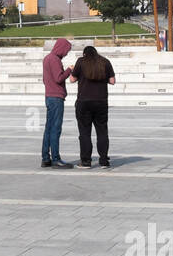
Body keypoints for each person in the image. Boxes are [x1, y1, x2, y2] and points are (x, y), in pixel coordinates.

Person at [69, 45, 116, 168]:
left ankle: (85, 161)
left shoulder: (81, 61)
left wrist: (72, 71)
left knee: (84, 132)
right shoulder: (105, 62)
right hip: (101, 102)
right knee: (102, 132)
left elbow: (72, 80)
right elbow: (112, 81)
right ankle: (104, 161)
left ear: (85, 54)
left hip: (84, 102)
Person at [40, 38, 74, 169]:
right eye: (66, 51)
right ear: (61, 48)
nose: (66, 53)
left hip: (49, 96)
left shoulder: (47, 58)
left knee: (48, 128)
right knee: (55, 128)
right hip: (56, 97)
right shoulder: (55, 59)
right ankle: (56, 158)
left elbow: (45, 79)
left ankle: (45, 158)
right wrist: (69, 70)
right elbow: (59, 78)